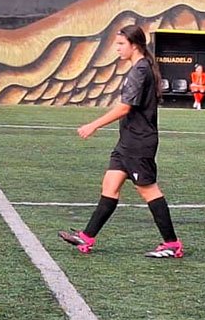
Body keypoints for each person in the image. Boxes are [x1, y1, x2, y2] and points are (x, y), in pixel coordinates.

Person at [58, 25, 184, 259]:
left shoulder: (141, 70)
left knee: (149, 191)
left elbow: (125, 108)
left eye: (120, 44)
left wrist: (93, 124)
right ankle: (87, 237)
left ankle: (172, 243)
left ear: (134, 45)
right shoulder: (139, 68)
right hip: (127, 142)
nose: (117, 49)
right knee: (110, 186)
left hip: (139, 143)